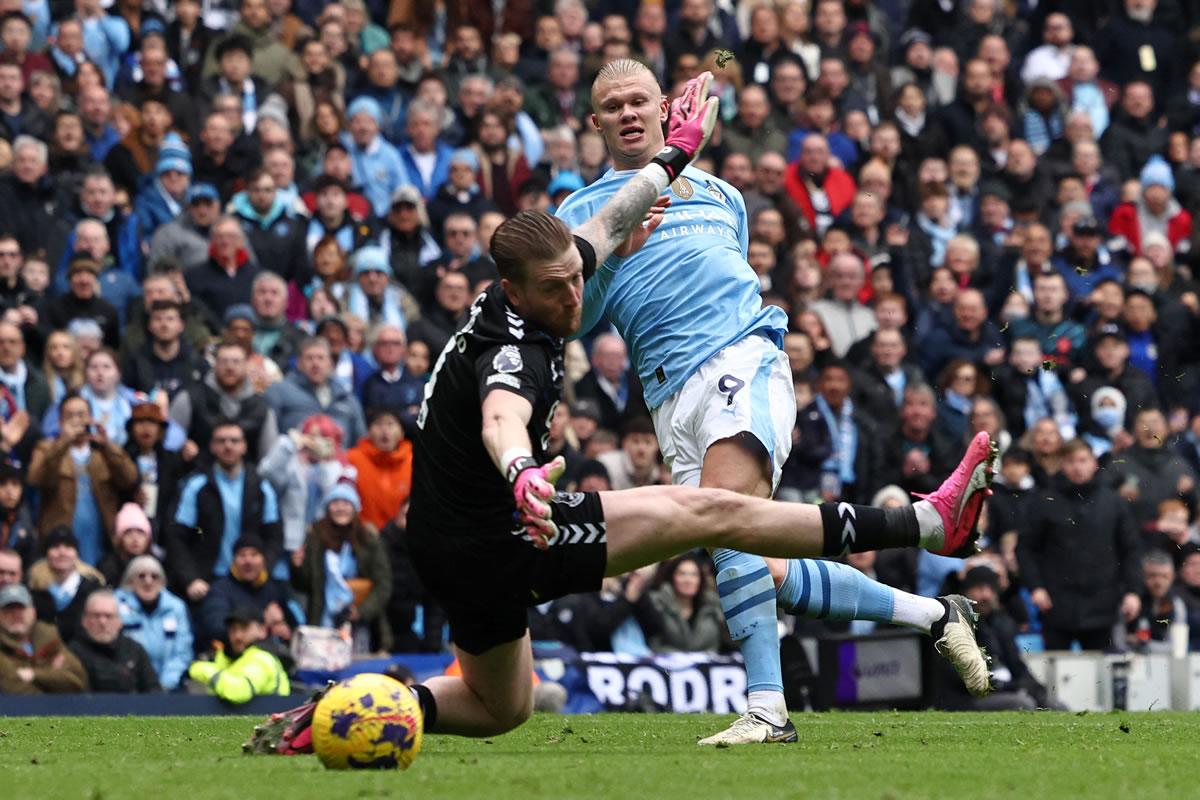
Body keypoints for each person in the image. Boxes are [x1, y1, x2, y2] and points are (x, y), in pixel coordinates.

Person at [403, 76, 992, 744]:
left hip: (739, 358)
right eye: (612, 107)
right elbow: (576, 316)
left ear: (662, 109)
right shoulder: (584, 215)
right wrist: (614, 260)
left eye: (638, 102)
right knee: (754, 558)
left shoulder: (723, 194)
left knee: (729, 522)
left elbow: (727, 283)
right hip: (668, 397)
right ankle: (935, 616)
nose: (628, 114)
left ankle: (768, 710)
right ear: (595, 124)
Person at [1019, 438, 1142, 650]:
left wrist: (1133, 591)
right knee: (1056, 675)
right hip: (1055, 604)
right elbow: (1026, 548)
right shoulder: (1044, 501)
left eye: (1083, 460)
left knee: (1099, 678)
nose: (1078, 467)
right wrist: (1036, 587)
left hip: (1103, 605)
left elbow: (1130, 550)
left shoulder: (1112, 502)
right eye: (1071, 461)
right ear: (1062, 464)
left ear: (1094, 463)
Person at [165, 419, 283, 604]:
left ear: (244, 446)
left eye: (234, 441)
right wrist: (190, 578)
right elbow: (176, 536)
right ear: (212, 446)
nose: (228, 446)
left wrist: (262, 569)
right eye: (221, 441)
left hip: (249, 582)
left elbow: (274, 537)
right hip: (206, 581)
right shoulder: (196, 486)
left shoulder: (261, 487)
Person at [28, 394, 139, 565]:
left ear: (91, 418)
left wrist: (108, 446)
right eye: (70, 416)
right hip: (60, 543)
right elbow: (38, 478)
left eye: (81, 415)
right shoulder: (46, 448)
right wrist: (62, 442)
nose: (76, 421)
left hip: (100, 542)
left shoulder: (102, 452)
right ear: (60, 422)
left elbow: (129, 479)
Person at [292, 483, 393, 649]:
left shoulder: (368, 538)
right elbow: (304, 585)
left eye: (346, 503)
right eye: (335, 503)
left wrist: (361, 611)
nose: (340, 508)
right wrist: (296, 566)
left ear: (354, 508)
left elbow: (383, 583)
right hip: (323, 621)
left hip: (360, 621)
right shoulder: (315, 538)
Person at [198, 534, 296, 647]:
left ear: (263, 559)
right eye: (242, 555)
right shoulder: (220, 590)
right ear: (234, 561)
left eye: (254, 555)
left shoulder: (275, 588)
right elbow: (215, 628)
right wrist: (263, 620)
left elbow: (294, 625)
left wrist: (285, 630)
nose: (248, 561)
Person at [115, 554, 192, 690]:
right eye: (141, 576)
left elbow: (183, 652)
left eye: (154, 576)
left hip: (169, 686)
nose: (148, 581)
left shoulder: (176, 607)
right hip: (128, 685)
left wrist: (165, 683)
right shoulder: (115, 604)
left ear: (162, 582)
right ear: (130, 580)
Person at [186, 604, 291, 704]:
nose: (238, 636)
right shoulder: (229, 657)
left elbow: (239, 691)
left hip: (272, 720)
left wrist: (202, 669)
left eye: (244, 628)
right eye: (233, 629)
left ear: (262, 630)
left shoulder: (262, 658)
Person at [0, 582, 87, 694]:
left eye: (21, 608)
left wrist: (33, 674)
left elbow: (77, 682)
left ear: (33, 611)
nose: (16, 614)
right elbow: (13, 688)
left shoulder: (50, 639)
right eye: (9, 610)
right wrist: (52, 674)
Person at [69, 589, 161, 693]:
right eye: (96, 616)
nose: (102, 622)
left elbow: (153, 691)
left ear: (120, 621)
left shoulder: (135, 650)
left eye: (109, 616)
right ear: (84, 621)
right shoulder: (73, 654)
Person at [28, 526, 103, 643]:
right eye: (55, 547)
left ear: (76, 553)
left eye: (68, 547)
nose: (62, 553)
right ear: (46, 553)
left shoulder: (93, 587)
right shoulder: (35, 588)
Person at [348, 407, 413, 531]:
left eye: (390, 424)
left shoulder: (414, 461)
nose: (385, 430)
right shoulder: (352, 459)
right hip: (363, 536)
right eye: (378, 424)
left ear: (402, 432)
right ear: (368, 431)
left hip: (402, 538)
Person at [645, 554, 725, 653]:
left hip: (707, 665)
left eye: (694, 574)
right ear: (672, 577)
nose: (688, 580)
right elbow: (654, 644)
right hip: (665, 664)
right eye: (682, 574)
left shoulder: (713, 605)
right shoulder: (656, 602)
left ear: (701, 579)